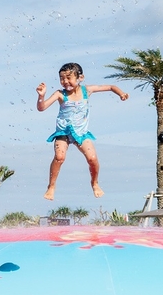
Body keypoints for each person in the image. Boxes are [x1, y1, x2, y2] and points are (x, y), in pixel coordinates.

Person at [36, 62, 128, 200]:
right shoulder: (60, 94)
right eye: (62, 78)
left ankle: (95, 182)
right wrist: (41, 96)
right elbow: (41, 108)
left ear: (80, 77)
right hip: (63, 133)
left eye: (68, 78)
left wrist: (121, 93)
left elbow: (110, 86)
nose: (65, 81)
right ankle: (51, 186)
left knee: (92, 159)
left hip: (81, 133)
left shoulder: (87, 90)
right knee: (60, 157)